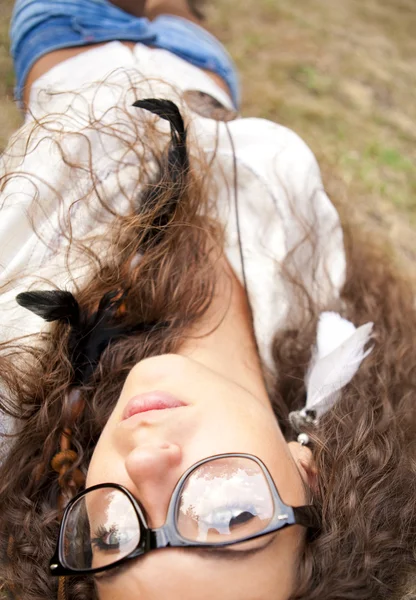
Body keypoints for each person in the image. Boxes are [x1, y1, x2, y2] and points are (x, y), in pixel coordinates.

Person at [0, 1, 415, 599]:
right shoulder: (317, 292)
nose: (143, 467)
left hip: (69, 30)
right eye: (226, 514)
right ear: (311, 476)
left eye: (114, 535)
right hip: (199, 61)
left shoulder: (25, 365)